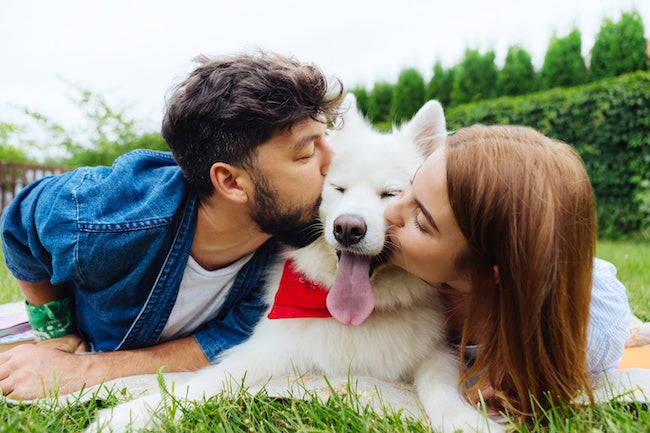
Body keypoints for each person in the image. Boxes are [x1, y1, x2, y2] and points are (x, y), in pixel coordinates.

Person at [0, 51, 343, 399]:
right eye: (306, 153)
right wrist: (55, 330)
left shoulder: (296, 244)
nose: (335, 162)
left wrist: (88, 369)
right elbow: (19, 224)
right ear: (231, 182)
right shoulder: (106, 217)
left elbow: (228, 337)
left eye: (326, 140)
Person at [384, 124, 631, 420]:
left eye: (421, 222)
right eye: (406, 187)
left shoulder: (597, 328)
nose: (389, 210)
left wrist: (520, 378)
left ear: (485, 272)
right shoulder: (413, 277)